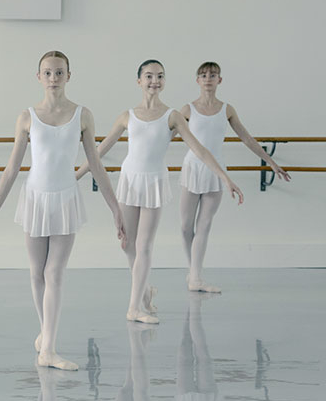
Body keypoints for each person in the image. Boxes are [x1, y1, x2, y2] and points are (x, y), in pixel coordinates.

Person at [0, 51, 125, 370]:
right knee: (37, 272)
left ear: (68, 76)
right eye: (48, 73)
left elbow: (96, 164)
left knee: (55, 272)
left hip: (65, 198)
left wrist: (115, 209)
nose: (53, 78)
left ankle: (49, 349)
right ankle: (46, 335)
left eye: (59, 73)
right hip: (35, 198)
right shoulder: (27, 117)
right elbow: (11, 169)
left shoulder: (82, 115)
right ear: (39, 77)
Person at [77, 60, 243, 324]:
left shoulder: (173, 116)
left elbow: (199, 150)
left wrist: (225, 177)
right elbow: (99, 152)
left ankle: (134, 308)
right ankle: (145, 291)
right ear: (139, 81)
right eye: (149, 76)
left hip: (154, 182)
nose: (155, 80)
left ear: (164, 81)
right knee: (126, 243)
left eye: (160, 76)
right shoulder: (126, 116)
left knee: (144, 246)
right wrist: (76, 175)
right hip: (130, 181)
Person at [179, 61, 291, 292]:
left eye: (212, 74)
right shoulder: (187, 109)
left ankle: (196, 278)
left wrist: (271, 162)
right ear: (197, 80)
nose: (208, 78)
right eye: (203, 75)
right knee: (184, 226)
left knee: (204, 224)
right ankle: (192, 272)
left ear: (220, 80)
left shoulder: (227, 109)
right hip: (192, 167)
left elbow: (246, 138)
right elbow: (167, 133)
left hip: (216, 170)